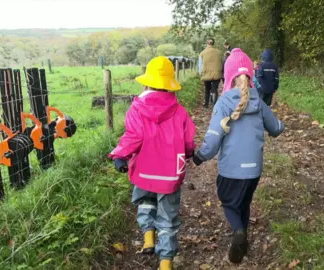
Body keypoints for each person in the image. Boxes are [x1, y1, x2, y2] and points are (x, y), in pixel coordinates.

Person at [192, 48, 285, 264]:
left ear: (228, 75)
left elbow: (214, 137)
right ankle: (244, 241)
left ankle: (238, 232)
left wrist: (200, 156)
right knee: (244, 202)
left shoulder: (224, 103)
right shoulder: (259, 102)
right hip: (254, 170)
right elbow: (277, 128)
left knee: (229, 203)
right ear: (251, 75)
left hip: (231, 170)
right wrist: (280, 125)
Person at [109, 56, 196, 270]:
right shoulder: (180, 111)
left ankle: (148, 237)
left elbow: (133, 136)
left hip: (144, 171)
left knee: (145, 201)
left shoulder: (137, 109)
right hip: (169, 175)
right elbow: (188, 142)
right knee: (168, 217)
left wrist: (120, 155)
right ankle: (165, 262)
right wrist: (189, 153)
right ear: (170, 85)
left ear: (147, 82)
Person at [199, 38, 223, 108]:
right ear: (213, 43)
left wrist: (200, 74)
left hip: (206, 74)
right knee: (214, 89)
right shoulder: (220, 52)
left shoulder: (202, 53)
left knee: (207, 89)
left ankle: (206, 104)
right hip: (217, 73)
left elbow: (200, 65)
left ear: (207, 43)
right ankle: (214, 104)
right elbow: (223, 63)